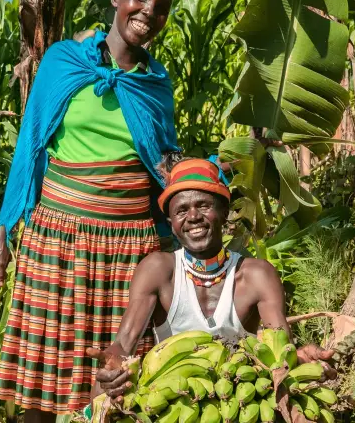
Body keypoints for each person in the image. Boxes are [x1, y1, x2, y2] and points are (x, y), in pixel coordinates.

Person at [0, 0, 179, 422]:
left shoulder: (154, 85)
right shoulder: (63, 62)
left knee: (119, 383)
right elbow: (30, 145)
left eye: (161, 9)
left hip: (129, 245)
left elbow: (163, 160)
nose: (149, 12)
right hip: (58, 238)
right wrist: (2, 235)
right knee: (43, 380)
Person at [91, 157, 334, 398]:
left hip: (242, 397)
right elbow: (124, 343)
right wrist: (113, 366)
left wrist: (301, 358)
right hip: (170, 398)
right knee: (99, 392)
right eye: (181, 210)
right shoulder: (159, 270)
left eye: (204, 206)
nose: (193, 216)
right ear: (172, 223)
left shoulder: (257, 275)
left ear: (225, 211)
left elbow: (280, 350)